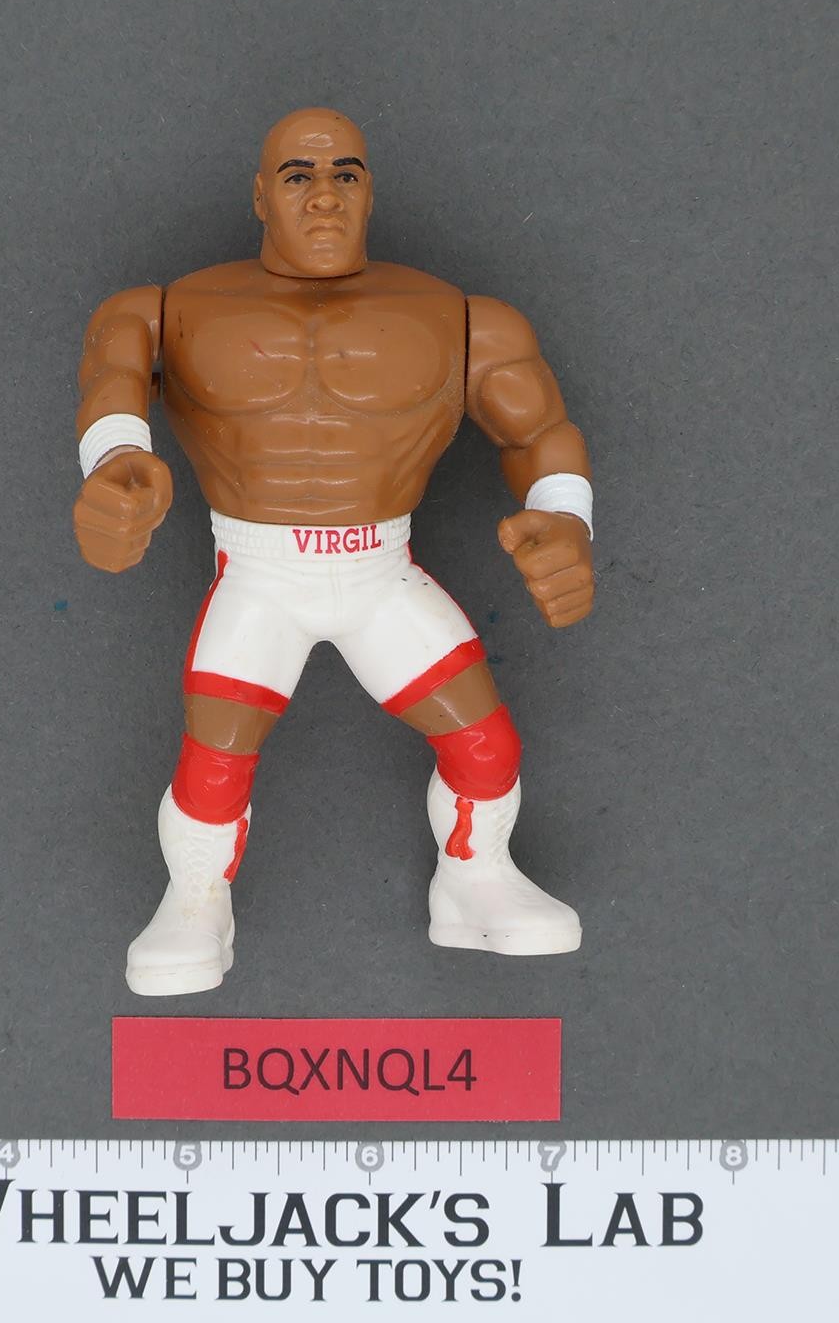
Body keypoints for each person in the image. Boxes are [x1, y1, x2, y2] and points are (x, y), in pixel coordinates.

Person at [74, 108, 595, 995]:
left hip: (380, 571)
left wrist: (565, 517)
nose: (323, 196)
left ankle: (477, 879)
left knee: (487, 747)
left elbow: (539, 430)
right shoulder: (167, 310)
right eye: (298, 176)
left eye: (345, 174)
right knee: (214, 761)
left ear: (371, 192)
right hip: (258, 575)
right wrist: (117, 473)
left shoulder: (458, 317)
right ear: (260, 195)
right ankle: (194, 902)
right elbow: (113, 388)